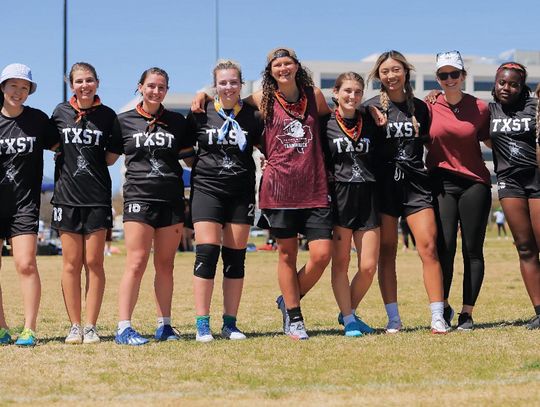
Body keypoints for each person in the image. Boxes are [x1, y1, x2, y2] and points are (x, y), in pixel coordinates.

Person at [192, 48, 333, 340]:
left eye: (287, 63)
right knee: (286, 254)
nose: (283, 68)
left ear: (296, 66)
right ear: (270, 71)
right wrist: (203, 95)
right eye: (277, 65)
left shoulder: (314, 95)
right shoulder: (261, 100)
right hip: (279, 188)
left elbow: (333, 123)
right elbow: (229, 102)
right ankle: (294, 317)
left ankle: (287, 298)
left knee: (321, 255)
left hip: (313, 186)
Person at [364, 50, 448, 334]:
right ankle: (393, 318)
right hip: (384, 186)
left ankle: (437, 315)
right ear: (379, 76)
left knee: (428, 248)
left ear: (406, 72)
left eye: (395, 70)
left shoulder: (422, 108)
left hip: (415, 186)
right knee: (387, 253)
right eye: (385, 71)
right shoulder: (370, 107)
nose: (391, 75)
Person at [107, 67, 190, 345]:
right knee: (137, 261)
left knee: (165, 265)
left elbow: (191, 160)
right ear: (140, 87)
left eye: (161, 87)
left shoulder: (178, 122)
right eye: (151, 86)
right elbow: (107, 159)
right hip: (138, 198)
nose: (156, 91)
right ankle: (123, 327)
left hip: (171, 199)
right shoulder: (123, 121)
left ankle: (164, 326)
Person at [186, 60, 263, 342]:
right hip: (207, 190)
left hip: (241, 192)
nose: (228, 87)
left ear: (241, 85)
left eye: (233, 82)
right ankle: (202, 323)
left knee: (235, 259)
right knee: (206, 254)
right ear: (214, 86)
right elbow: (185, 151)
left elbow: (265, 148)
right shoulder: (200, 112)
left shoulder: (253, 117)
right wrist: (206, 169)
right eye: (223, 82)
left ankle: (230, 323)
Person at [49, 62, 117, 344]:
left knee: (94, 262)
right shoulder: (60, 113)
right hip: (66, 198)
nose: (85, 85)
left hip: (97, 198)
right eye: (79, 81)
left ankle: (91, 326)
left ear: (97, 83)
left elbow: (111, 157)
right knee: (71, 264)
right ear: (71, 84)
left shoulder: (108, 116)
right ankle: (74, 326)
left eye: (89, 80)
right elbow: (54, 146)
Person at [425, 51, 491, 331]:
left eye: (455, 74)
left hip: (475, 183)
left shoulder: (480, 108)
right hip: (441, 182)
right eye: (444, 75)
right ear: (437, 79)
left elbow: (492, 141)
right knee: (445, 247)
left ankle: (467, 313)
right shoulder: (427, 106)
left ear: (464, 76)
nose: (449, 79)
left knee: (472, 249)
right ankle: (444, 307)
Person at [0, 63, 56, 346]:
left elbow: (62, 146)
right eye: (13, 86)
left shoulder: (38, 120)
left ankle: (29, 328)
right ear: (2, 87)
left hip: (24, 205)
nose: (18, 92)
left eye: (24, 88)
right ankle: (1, 327)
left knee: (25, 264)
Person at [322, 72, 379, 337]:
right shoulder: (325, 124)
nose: (352, 96)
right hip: (340, 197)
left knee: (368, 266)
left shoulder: (369, 119)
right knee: (341, 264)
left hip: (367, 196)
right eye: (346, 91)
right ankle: (349, 318)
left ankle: (348, 310)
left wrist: (371, 109)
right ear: (336, 93)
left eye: (357, 91)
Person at [489, 62, 540, 329]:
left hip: (537, 180)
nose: (507, 88)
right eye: (502, 83)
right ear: (495, 84)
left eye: (513, 84)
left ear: (522, 87)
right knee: (525, 247)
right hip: (509, 183)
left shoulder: (535, 107)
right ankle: (539, 310)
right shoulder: (488, 110)